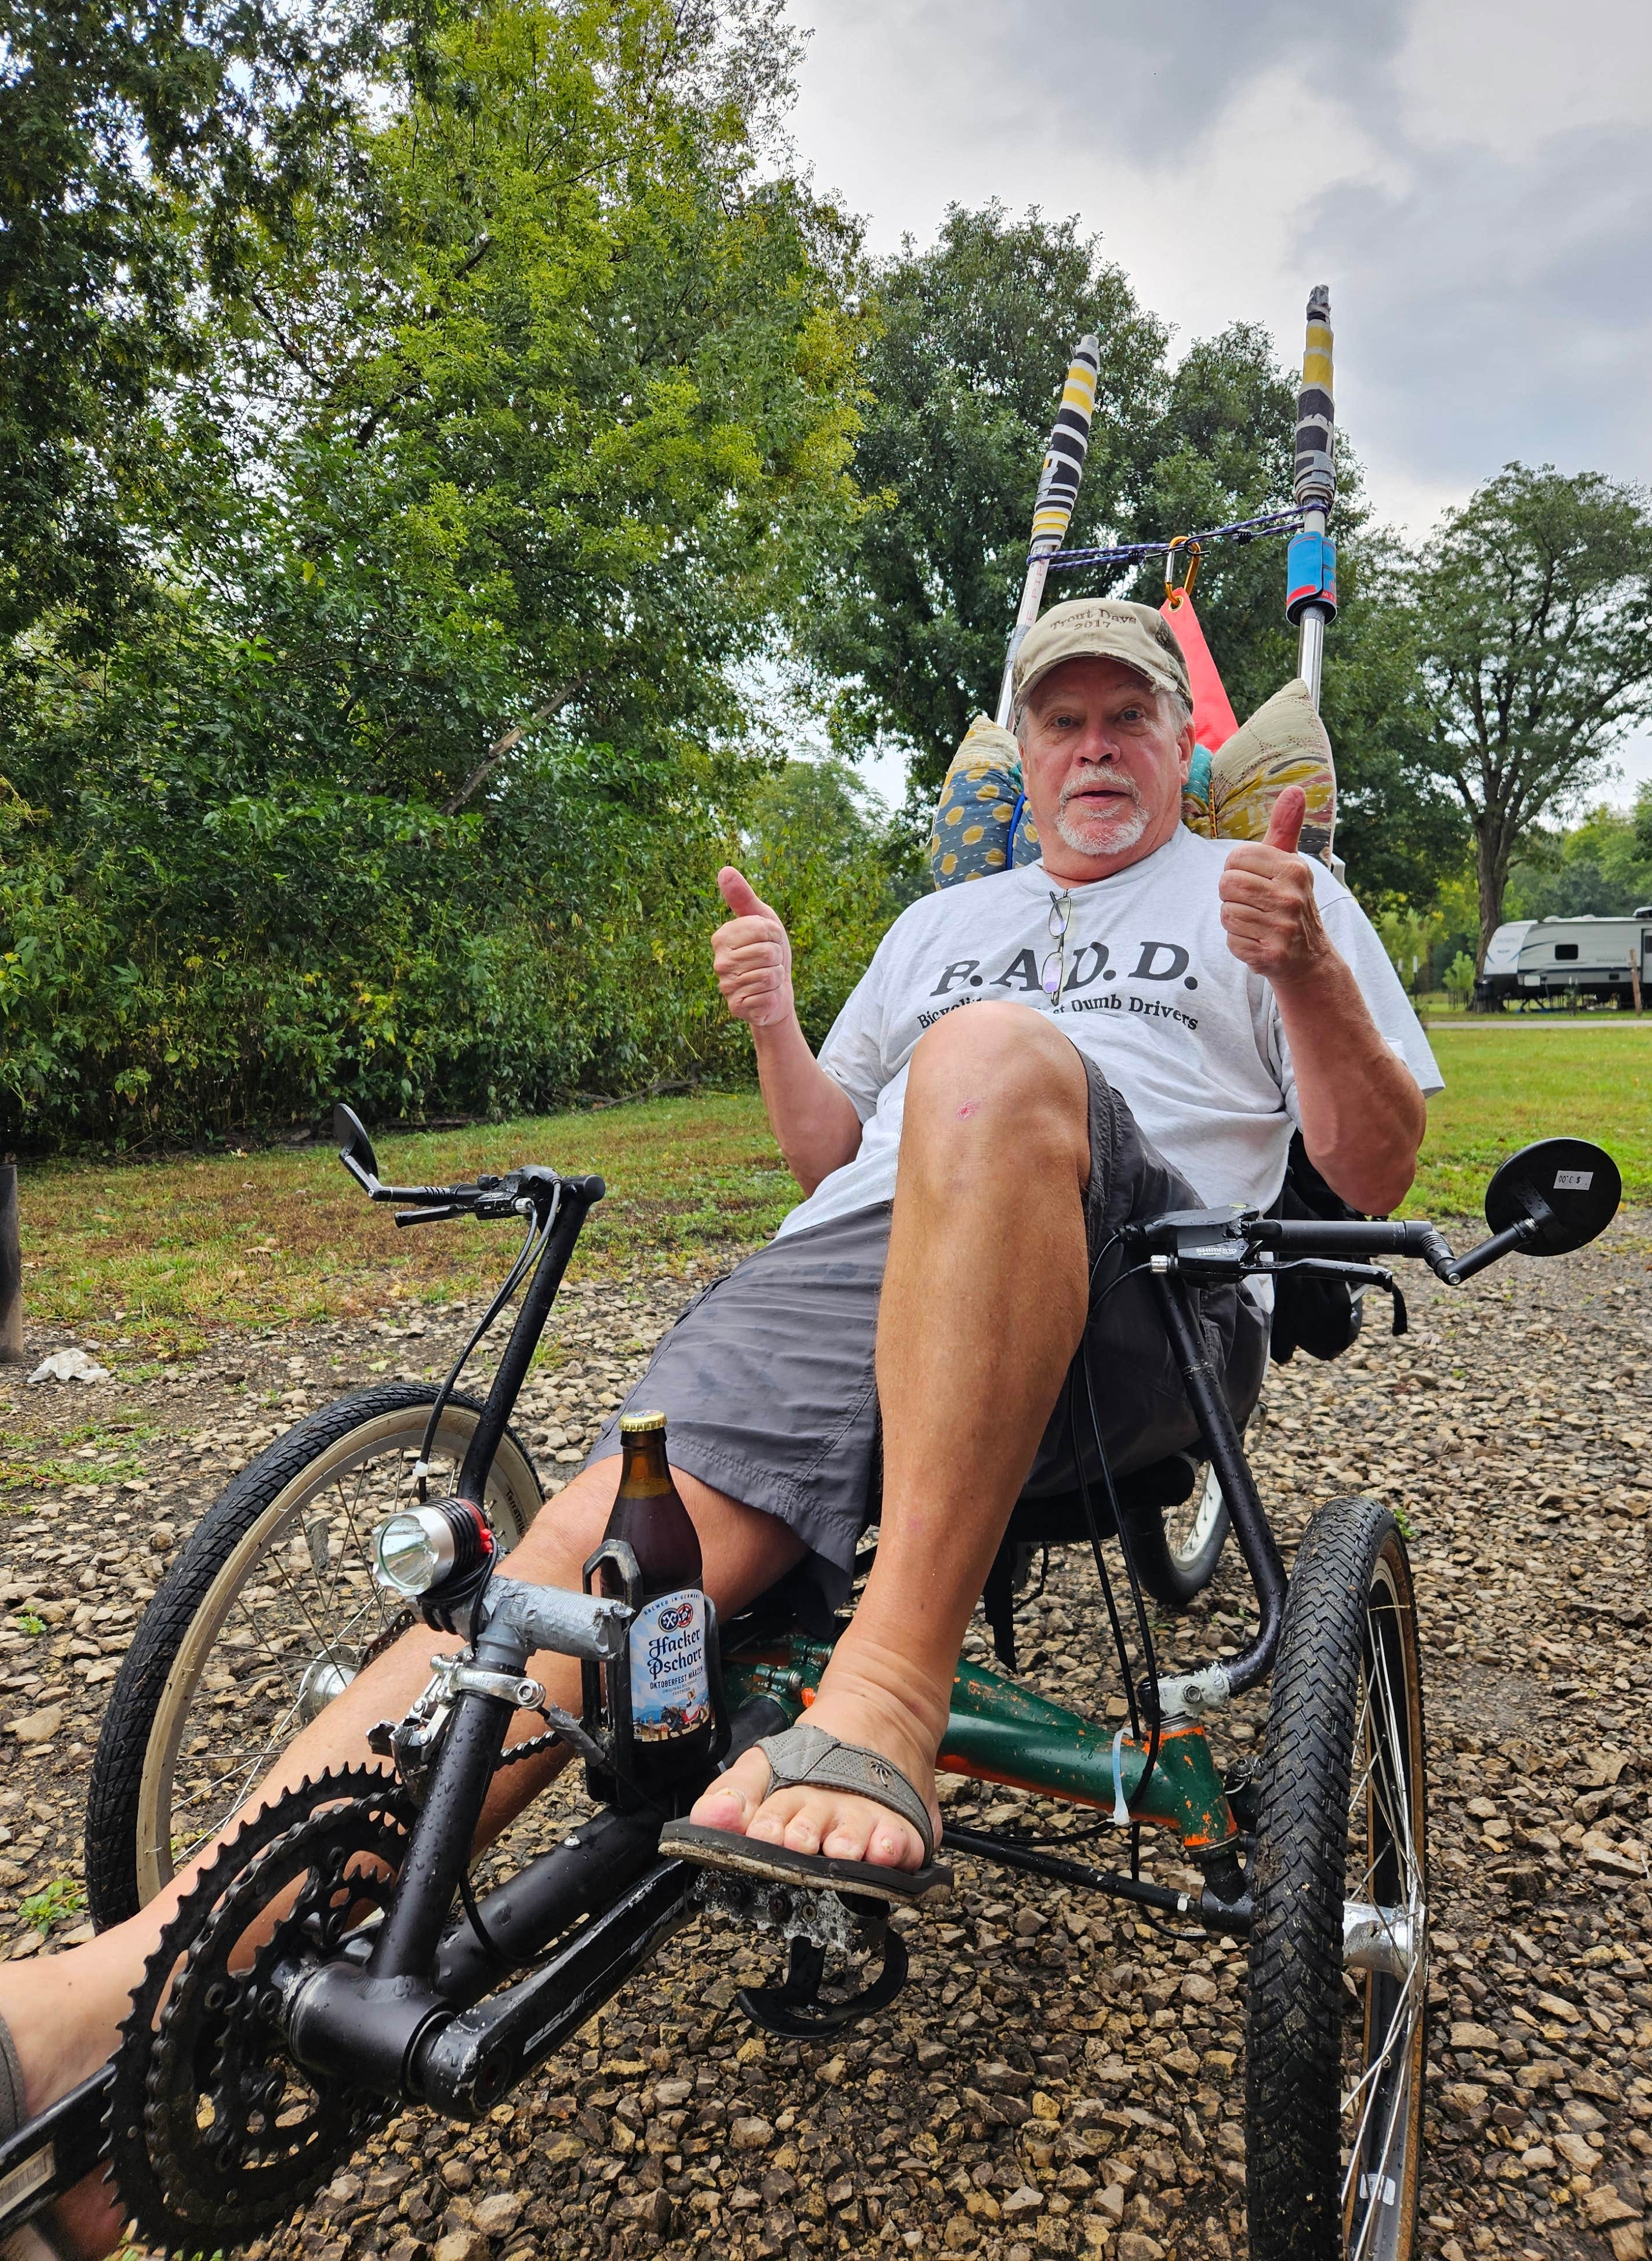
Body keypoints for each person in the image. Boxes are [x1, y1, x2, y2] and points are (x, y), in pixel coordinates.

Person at [0, 598, 1439, 2258]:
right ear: (1029, 752)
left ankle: (885, 1694)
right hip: (865, 1263)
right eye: (1068, 722)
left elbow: (1378, 1164)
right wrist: (771, 1021)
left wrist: (1310, 971)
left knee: (986, 1062)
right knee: (586, 1564)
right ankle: (108, 2015)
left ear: (1182, 746)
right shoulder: (938, 921)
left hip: (1144, 1285)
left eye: (1131, 718)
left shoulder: (1268, 893)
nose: (1099, 746)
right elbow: (831, 1157)